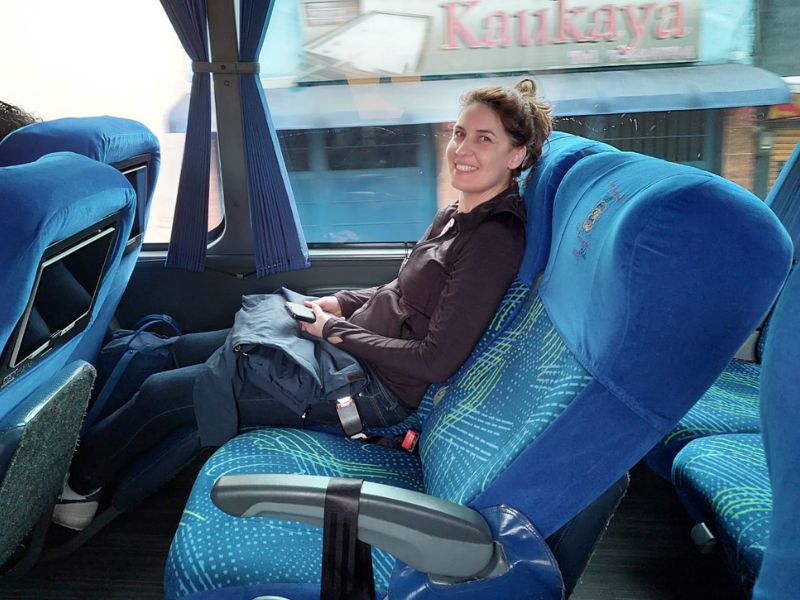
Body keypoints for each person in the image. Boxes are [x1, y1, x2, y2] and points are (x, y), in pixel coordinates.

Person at [52, 78, 554, 530]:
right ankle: (79, 448)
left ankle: (76, 489)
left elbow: (436, 360)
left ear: (516, 156)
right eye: (459, 133)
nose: (461, 149)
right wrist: (337, 303)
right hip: (342, 354)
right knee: (174, 351)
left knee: (162, 393)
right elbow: (401, 292)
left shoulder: (492, 241)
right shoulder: (455, 213)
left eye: (483, 139)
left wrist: (333, 331)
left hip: (368, 390)